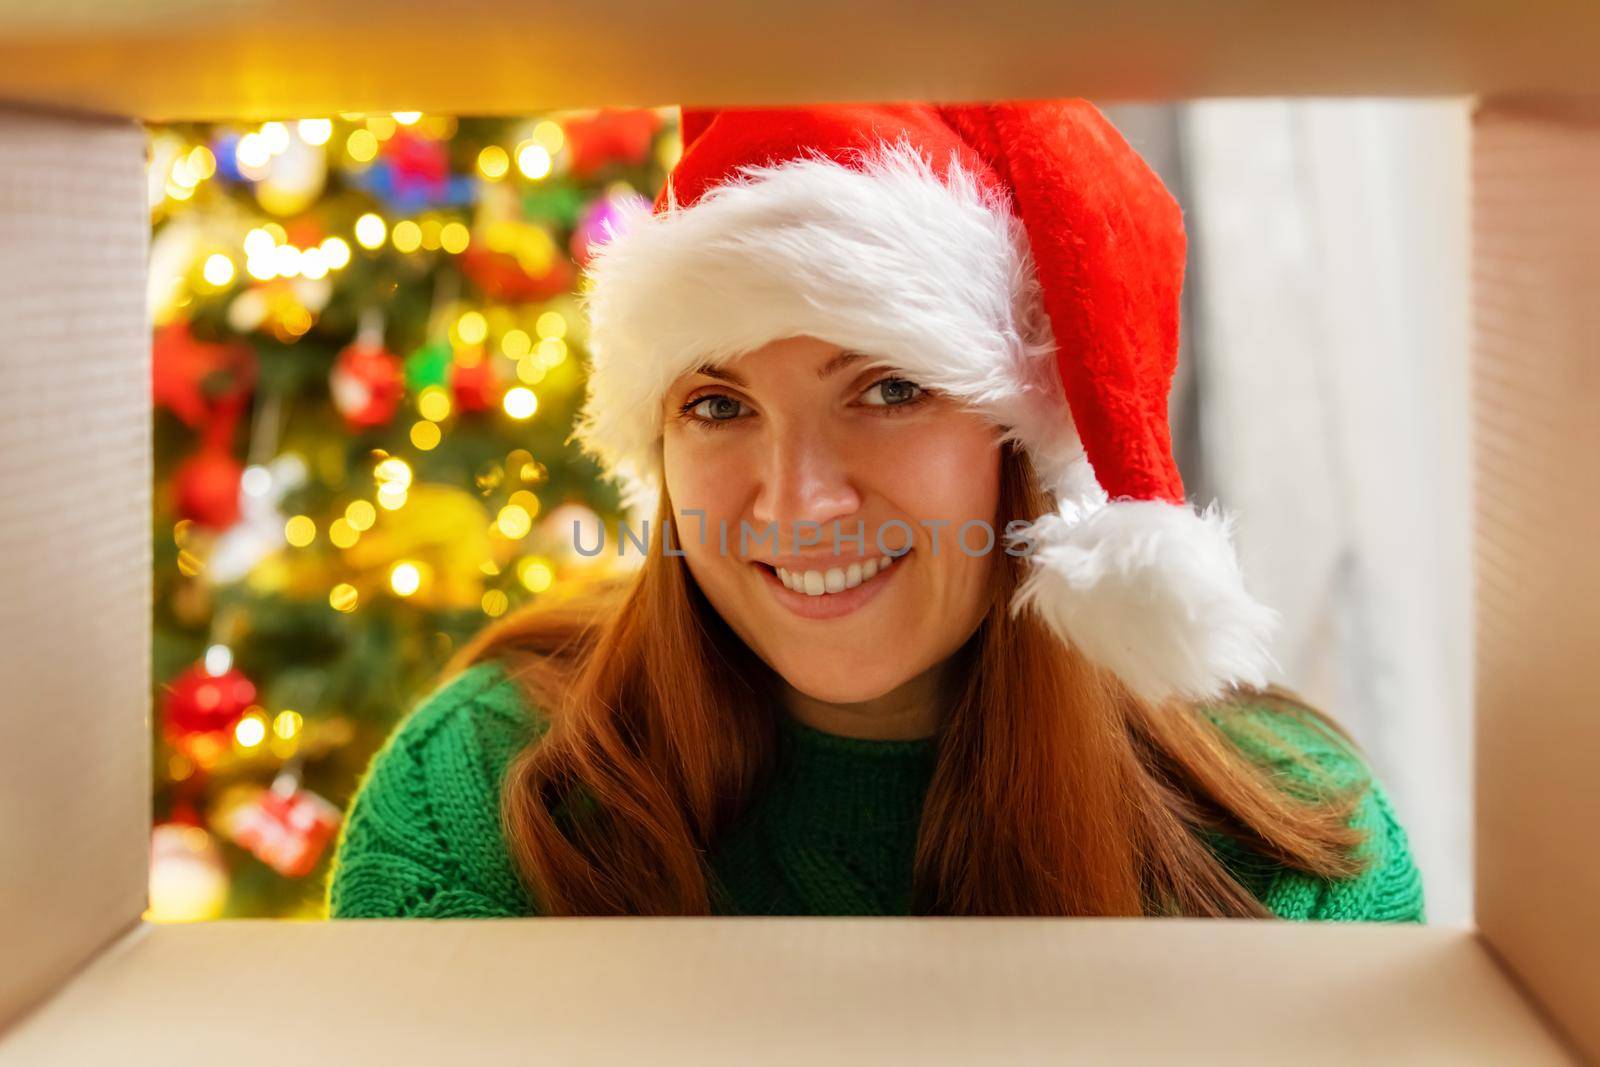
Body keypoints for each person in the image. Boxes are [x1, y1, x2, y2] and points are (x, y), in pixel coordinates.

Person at [324, 99, 1425, 921]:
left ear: (1020, 442)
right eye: (716, 401)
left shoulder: (1291, 859)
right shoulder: (482, 797)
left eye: (890, 389)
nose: (797, 498)